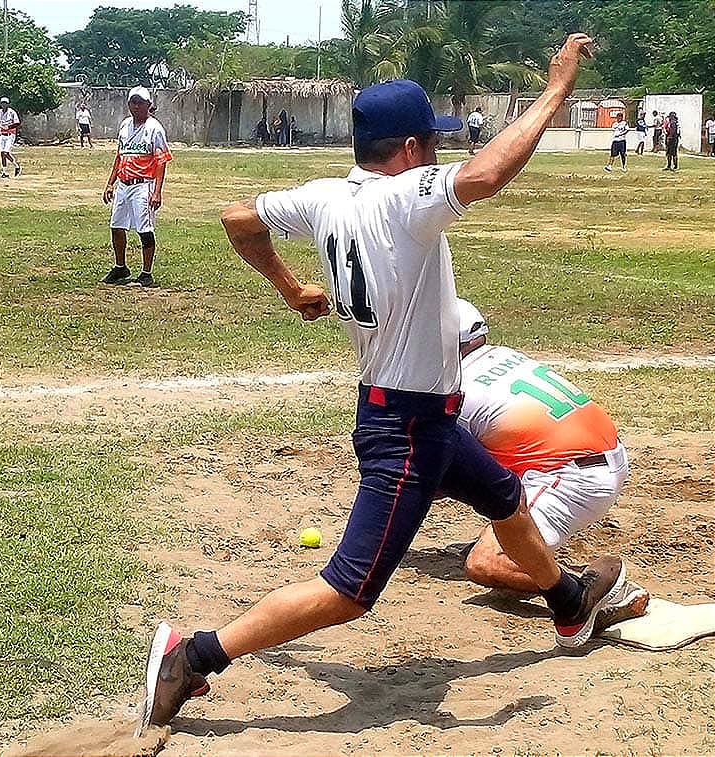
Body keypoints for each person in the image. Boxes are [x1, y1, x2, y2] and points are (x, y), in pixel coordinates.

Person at [135, 34, 629, 737]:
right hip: (404, 431)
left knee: (508, 503)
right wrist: (555, 91)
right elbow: (486, 176)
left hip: (423, 418)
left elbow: (237, 218)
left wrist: (288, 287)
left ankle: (569, 600)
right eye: (430, 143)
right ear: (408, 149)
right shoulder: (405, 197)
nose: (434, 154)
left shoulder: (326, 197)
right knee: (349, 590)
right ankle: (195, 654)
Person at [453, 300, 643, 603]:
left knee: (485, 562)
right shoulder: (504, 355)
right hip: (604, 456)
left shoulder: (457, 390)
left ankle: (590, 592)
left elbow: (434, 475)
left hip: (570, 478)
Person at [101, 86, 172, 288]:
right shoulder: (125, 126)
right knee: (116, 226)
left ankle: (146, 273)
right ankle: (120, 266)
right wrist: (110, 183)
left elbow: (161, 161)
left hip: (143, 184)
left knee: (144, 229)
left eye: (141, 102)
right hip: (124, 183)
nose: (136, 106)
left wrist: (157, 191)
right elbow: (120, 155)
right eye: (133, 102)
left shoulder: (154, 128)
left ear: (149, 105)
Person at [0, 96, 21, 178]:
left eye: (5, 103)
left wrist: (8, 127)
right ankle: (4, 172)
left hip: (10, 135)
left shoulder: (12, 112)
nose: (3, 105)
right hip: (2, 134)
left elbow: (17, 123)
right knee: (2, 153)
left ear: (8, 104)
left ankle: (16, 166)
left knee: (6, 152)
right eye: (2, 103)